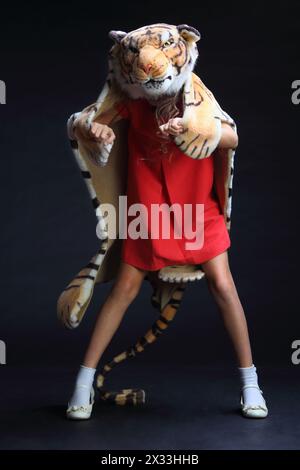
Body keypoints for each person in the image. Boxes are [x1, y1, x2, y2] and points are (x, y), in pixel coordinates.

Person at [65, 23, 268, 420]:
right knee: (123, 289)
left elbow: (231, 137)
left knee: (224, 285)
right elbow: (84, 121)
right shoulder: (133, 97)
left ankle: (251, 384)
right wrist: (97, 130)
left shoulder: (198, 95)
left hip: (198, 209)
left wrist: (197, 130)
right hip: (149, 212)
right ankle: (83, 383)